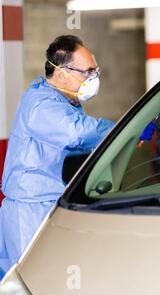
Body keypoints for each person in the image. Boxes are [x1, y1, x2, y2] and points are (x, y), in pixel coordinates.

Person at [0, 35, 115, 277]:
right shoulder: (41, 105)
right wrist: (124, 130)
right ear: (62, 74)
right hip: (32, 210)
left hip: (51, 204)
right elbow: (77, 133)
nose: (94, 78)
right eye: (88, 72)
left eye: (96, 71)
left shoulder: (63, 100)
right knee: (32, 280)